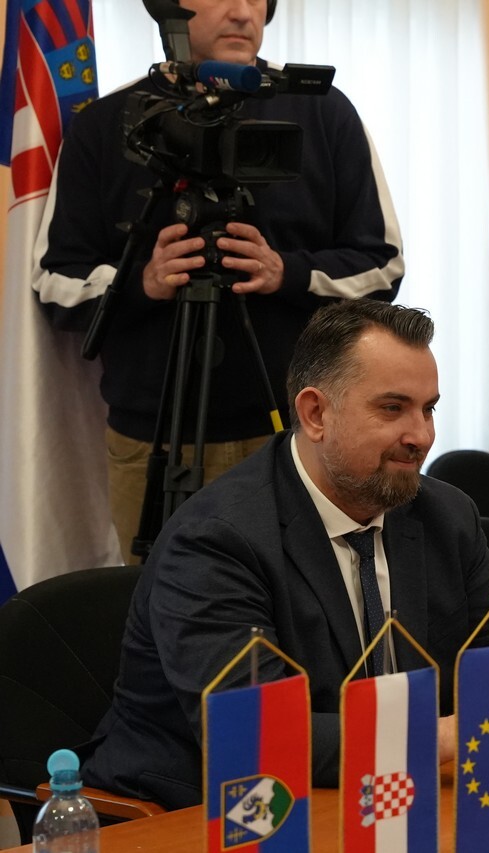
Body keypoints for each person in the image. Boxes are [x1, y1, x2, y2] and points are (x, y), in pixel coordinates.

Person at [81, 300, 489, 809]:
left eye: (428, 408)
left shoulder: (446, 515)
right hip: (215, 812)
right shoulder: (217, 540)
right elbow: (257, 736)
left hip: (391, 801)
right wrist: (453, 734)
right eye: (392, 408)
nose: (421, 436)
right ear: (315, 413)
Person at [34, 0, 404, 563]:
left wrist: (289, 273)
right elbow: (54, 281)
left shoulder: (323, 111)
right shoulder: (110, 124)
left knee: (302, 597)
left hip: (300, 430)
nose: (241, 12)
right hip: (153, 438)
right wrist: (142, 281)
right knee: (158, 601)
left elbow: (383, 264)